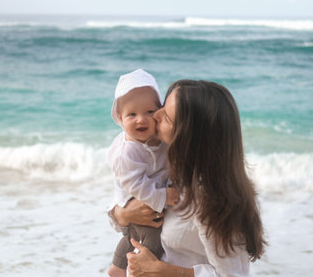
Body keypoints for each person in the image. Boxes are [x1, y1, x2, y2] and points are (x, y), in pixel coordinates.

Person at [112, 80, 266, 277]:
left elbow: (232, 275)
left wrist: (163, 271)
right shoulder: (169, 164)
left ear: (188, 137)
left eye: (165, 116)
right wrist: (121, 215)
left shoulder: (212, 198)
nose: (155, 115)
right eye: (161, 106)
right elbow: (124, 193)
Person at [107, 69, 179, 277]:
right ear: (120, 118)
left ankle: (117, 268)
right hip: (137, 202)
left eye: (149, 112)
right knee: (153, 240)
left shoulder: (157, 140)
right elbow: (136, 185)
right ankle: (138, 270)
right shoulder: (126, 151)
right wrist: (163, 196)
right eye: (132, 114)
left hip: (144, 205)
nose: (141, 120)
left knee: (131, 237)